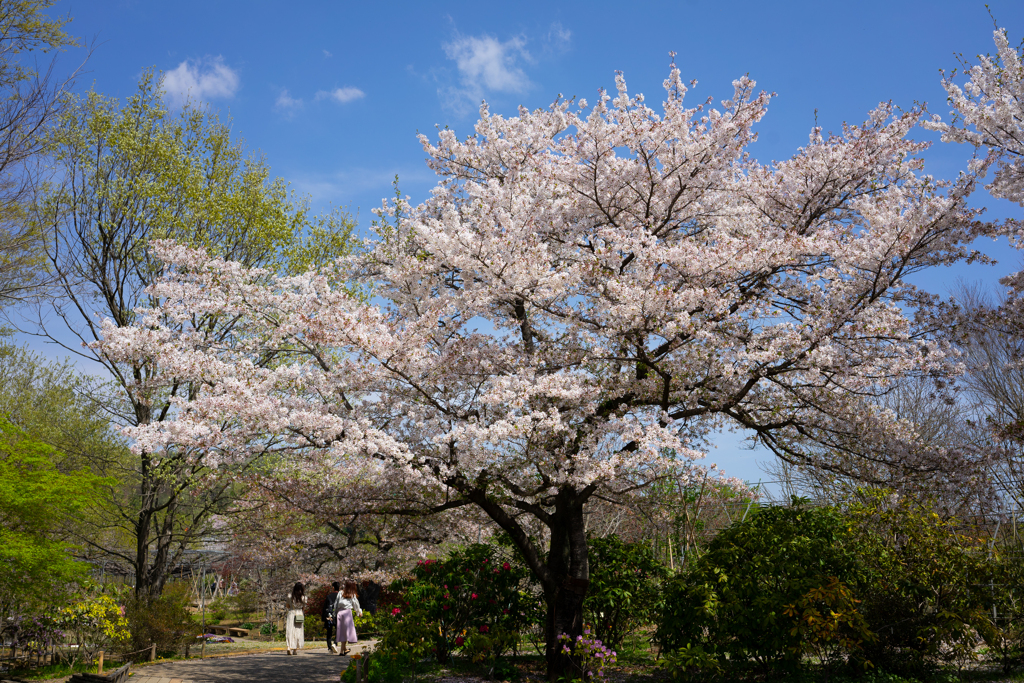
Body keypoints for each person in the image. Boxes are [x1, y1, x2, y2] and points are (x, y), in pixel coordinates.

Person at [335, 580, 363, 655]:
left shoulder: (340, 593)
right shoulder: (352, 594)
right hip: (347, 613)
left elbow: (336, 604)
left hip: (340, 613)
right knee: (345, 632)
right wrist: (359, 612)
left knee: (342, 632)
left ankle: (343, 650)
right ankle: (343, 650)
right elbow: (356, 605)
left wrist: (335, 613)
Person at [285, 582, 307, 655]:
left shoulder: (290, 596)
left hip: (291, 613)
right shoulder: (303, 597)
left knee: (290, 630)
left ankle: (288, 647)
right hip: (299, 614)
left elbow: (287, 606)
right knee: (298, 632)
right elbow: (304, 608)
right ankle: (295, 649)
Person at [322, 581, 341, 654]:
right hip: (338, 615)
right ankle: (335, 644)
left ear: (333, 587)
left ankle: (330, 648)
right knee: (338, 631)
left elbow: (325, 608)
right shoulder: (340, 596)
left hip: (329, 616)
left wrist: (324, 618)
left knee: (329, 632)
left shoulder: (329, 596)